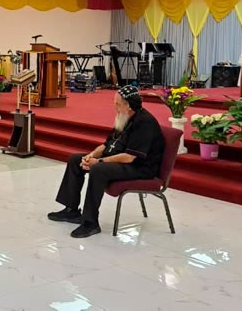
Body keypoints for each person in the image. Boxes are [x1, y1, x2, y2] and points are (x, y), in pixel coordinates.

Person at [49, 85, 165, 238]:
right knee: (75, 160)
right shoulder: (124, 116)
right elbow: (106, 145)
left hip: (140, 167)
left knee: (99, 169)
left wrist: (99, 162)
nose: (114, 107)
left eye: (117, 104)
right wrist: (90, 156)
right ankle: (71, 210)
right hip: (121, 160)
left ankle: (91, 222)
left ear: (128, 106)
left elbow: (130, 157)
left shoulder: (145, 122)